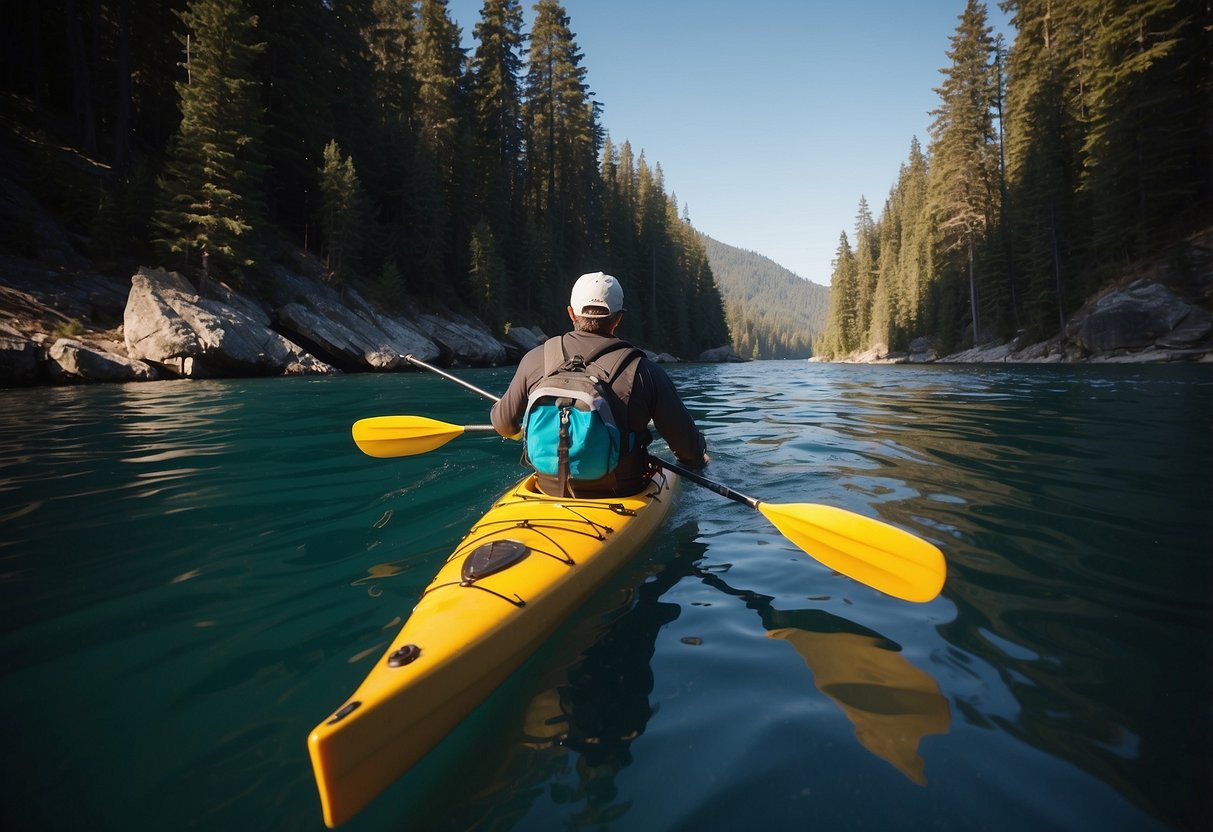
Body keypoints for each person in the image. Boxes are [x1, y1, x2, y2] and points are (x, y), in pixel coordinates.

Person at [491, 271, 708, 496]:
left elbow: (503, 425)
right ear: (618, 319)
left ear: (571, 313)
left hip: (547, 488)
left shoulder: (535, 359)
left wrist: (521, 430)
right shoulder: (644, 371)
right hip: (622, 490)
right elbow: (688, 451)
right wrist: (700, 455)